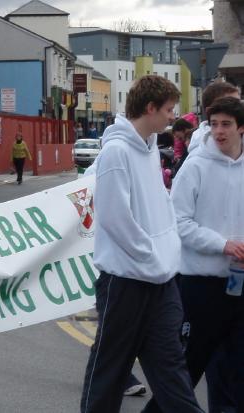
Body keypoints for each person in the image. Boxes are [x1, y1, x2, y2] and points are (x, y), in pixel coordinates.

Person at [80, 75, 203, 413]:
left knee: (172, 370)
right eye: (167, 110)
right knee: (111, 370)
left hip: (160, 281)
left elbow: (158, 207)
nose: (171, 117)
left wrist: (167, 255)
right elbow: (116, 220)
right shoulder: (116, 152)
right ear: (150, 108)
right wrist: (152, 256)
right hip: (126, 283)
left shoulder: (149, 149)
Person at [143, 97, 244, 413]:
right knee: (186, 370)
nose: (219, 131)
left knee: (236, 372)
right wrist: (222, 244)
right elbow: (178, 223)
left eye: (226, 124)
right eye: (214, 124)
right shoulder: (196, 166)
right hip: (200, 285)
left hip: (239, 284)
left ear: (242, 128)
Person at [189, 81, 240, 153]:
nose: (239, 109)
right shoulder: (197, 160)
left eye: (239, 104)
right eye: (231, 105)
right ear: (210, 111)